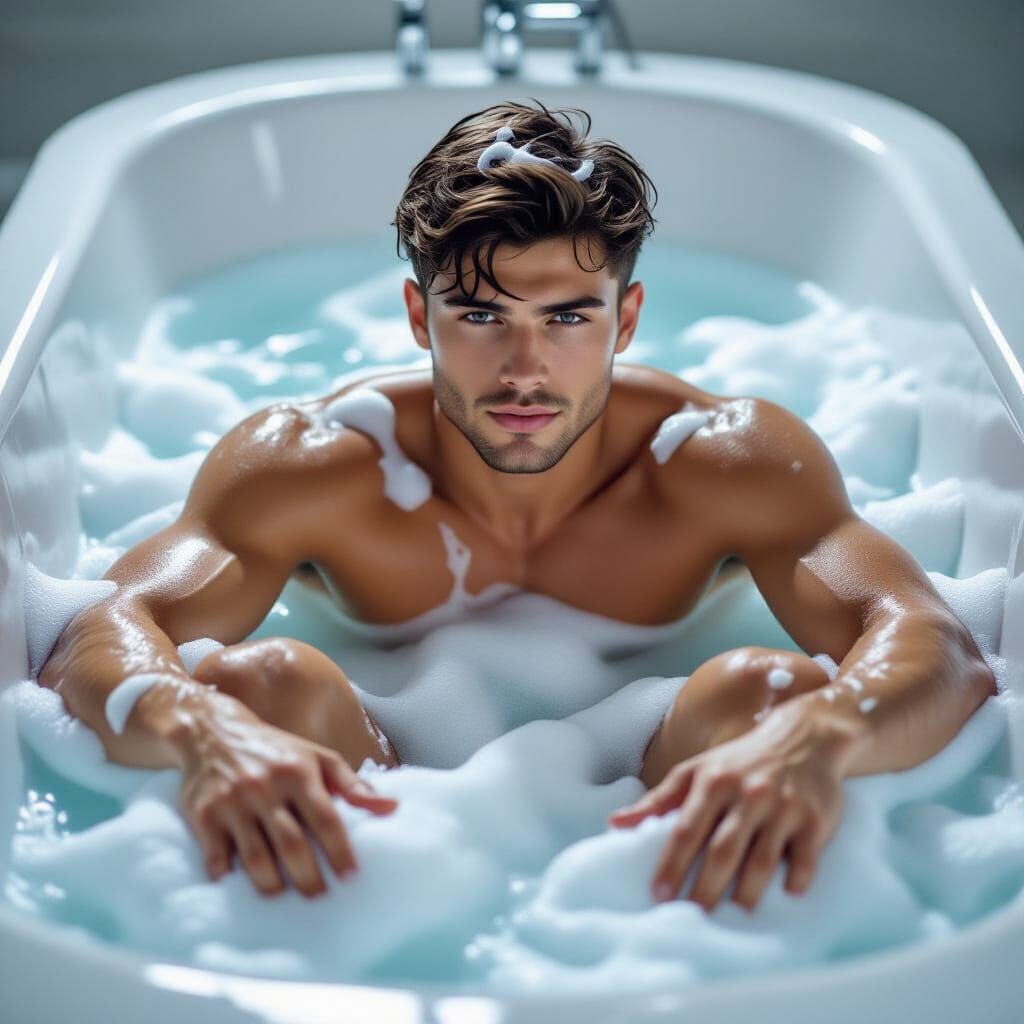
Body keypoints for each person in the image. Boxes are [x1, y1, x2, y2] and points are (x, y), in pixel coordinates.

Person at [38, 100, 996, 914]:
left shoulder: (723, 462)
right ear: (421, 318)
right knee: (258, 684)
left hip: (652, 798)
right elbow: (100, 632)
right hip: (374, 791)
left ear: (626, 318)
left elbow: (934, 645)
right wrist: (206, 738)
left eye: (569, 318)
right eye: (482, 316)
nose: (525, 370)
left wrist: (817, 741)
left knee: (770, 693)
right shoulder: (313, 467)